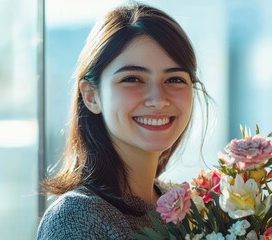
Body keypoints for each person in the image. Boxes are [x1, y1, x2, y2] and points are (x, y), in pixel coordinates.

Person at [37, 2, 210, 239]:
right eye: (133, 79)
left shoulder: (188, 206)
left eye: (174, 79)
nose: (158, 100)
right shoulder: (77, 216)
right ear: (91, 95)